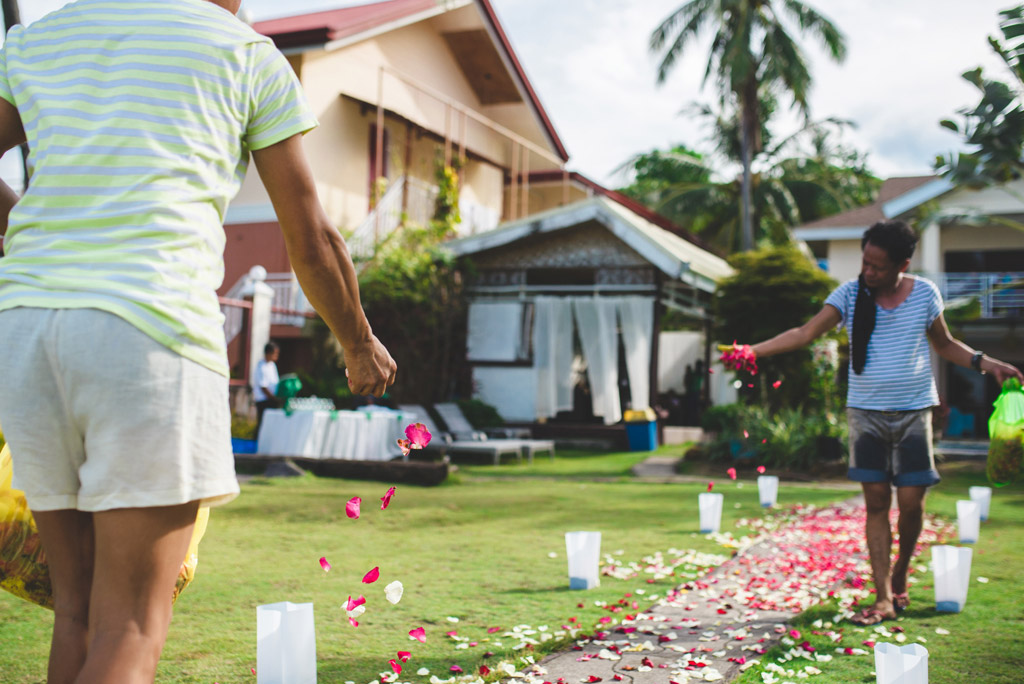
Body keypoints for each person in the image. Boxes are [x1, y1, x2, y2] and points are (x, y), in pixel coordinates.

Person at [0, 1, 397, 682]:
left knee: (80, 614)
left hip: (26, 330)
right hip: (146, 334)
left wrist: (25, 228)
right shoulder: (242, 52)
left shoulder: (40, 38)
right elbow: (312, 237)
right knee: (129, 624)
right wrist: (358, 343)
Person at [741, 220, 1022, 626]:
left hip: (913, 413)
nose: (868, 271)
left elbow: (943, 344)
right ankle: (884, 596)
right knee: (876, 504)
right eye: (865, 262)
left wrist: (985, 362)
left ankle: (901, 570)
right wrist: (752, 351)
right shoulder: (850, 294)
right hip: (865, 415)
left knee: (911, 504)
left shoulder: (924, 293)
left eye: (877, 266)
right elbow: (805, 333)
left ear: (902, 264)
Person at [253, 341, 282, 434]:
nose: (276, 356)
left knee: (271, 425)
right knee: (262, 424)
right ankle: (257, 444)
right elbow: (263, 386)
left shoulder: (272, 365)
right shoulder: (261, 366)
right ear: (268, 353)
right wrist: (274, 398)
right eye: (275, 353)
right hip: (263, 400)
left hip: (271, 399)